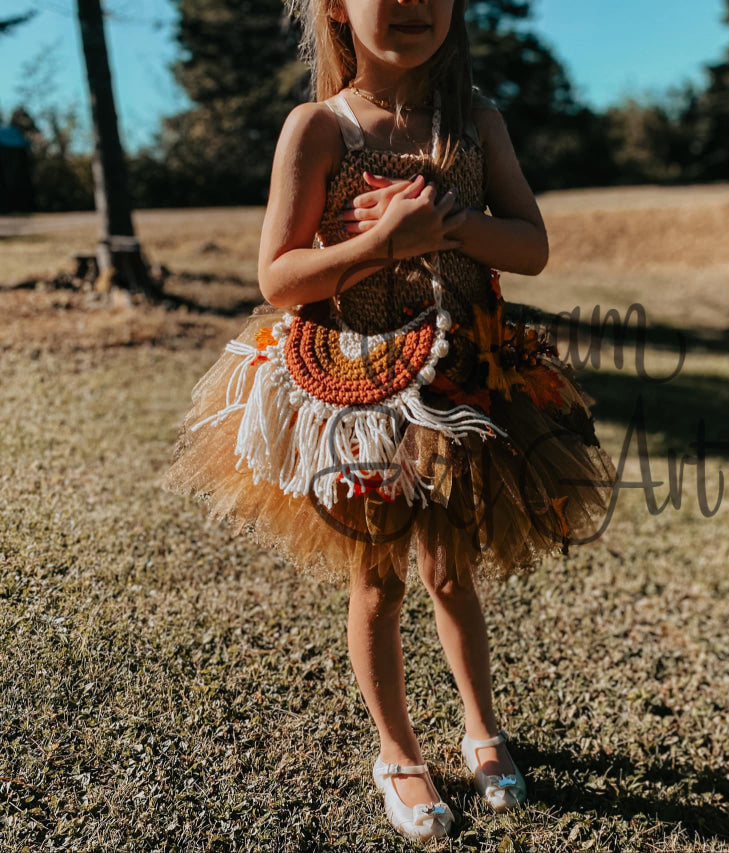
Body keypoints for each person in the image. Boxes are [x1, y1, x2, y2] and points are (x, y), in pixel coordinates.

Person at [161, 0, 616, 842]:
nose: (411, 4)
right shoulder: (320, 128)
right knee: (378, 576)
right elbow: (280, 275)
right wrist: (387, 245)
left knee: (451, 570)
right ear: (334, 6)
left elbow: (531, 245)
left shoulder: (478, 123)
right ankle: (398, 751)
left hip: (463, 388)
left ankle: (482, 726)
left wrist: (455, 227)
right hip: (359, 393)